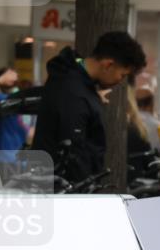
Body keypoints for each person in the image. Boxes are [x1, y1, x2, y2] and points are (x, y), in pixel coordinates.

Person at [32, 31, 147, 183]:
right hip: (65, 189)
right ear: (108, 65)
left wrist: (93, 98)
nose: (121, 80)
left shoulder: (73, 80)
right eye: (122, 75)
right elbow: (74, 154)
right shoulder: (76, 96)